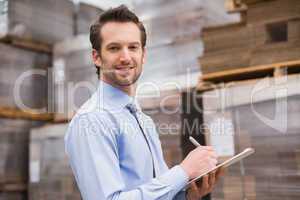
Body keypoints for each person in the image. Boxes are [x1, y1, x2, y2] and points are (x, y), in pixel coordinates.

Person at [65, 5, 223, 200]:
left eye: (133, 47)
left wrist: (187, 193)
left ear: (143, 55)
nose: (125, 57)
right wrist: (183, 172)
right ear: (96, 57)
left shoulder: (142, 119)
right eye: (114, 48)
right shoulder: (92, 120)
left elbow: (154, 190)